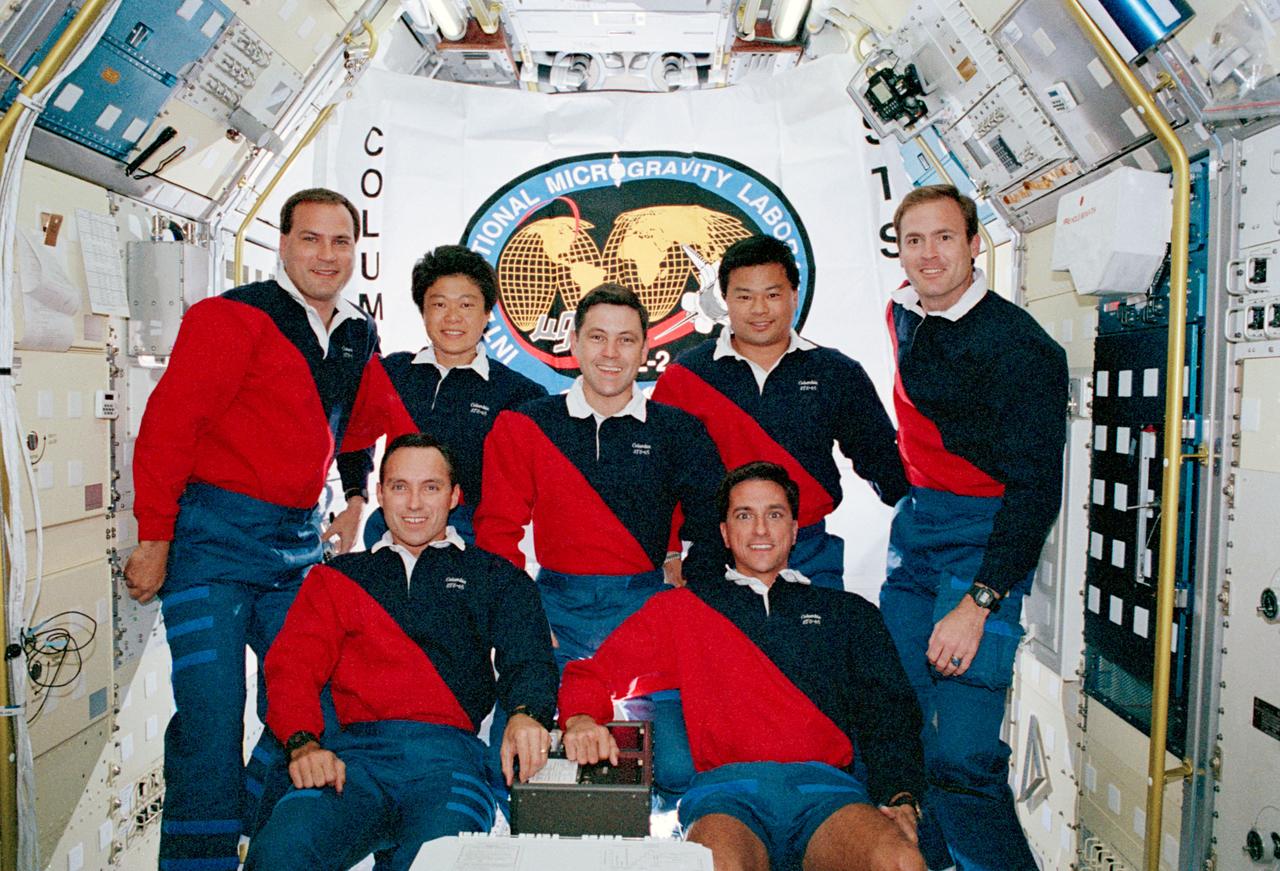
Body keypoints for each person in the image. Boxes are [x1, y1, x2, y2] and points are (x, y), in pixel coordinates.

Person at [124, 188, 411, 869]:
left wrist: (355, 497)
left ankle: (253, 822)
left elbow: (358, 420)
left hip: (296, 546)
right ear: (282, 244)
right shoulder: (230, 318)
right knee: (212, 723)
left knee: (313, 703)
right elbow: (168, 429)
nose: (326, 255)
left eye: (340, 241)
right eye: (310, 239)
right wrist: (155, 536)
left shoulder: (354, 332)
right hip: (209, 547)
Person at [559, 461, 927, 871]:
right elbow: (592, 672)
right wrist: (579, 719)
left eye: (774, 514)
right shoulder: (682, 609)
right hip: (727, 796)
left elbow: (891, 715)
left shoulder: (850, 613)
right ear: (724, 533)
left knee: (900, 861)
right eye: (743, 516)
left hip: (828, 794)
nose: (760, 530)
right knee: (717, 865)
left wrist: (902, 797)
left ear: (793, 529)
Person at [245, 433, 558, 871]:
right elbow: (292, 666)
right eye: (399, 487)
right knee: (281, 850)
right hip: (348, 763)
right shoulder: (337, 578)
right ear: (379, 493)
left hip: (449, 766)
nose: (414, 504)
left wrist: (527, 712)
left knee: (443, 862)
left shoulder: (496, 576)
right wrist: (302, 744)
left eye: (430, 487)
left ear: (454, 496)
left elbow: (529, 657)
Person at [474, 282, 726, 800]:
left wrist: (686, 597)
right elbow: (498, 533)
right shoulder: (526, 425)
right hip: (553, 610)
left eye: (626, 340)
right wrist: (524, 619)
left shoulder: (679, 430)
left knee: (679, 769)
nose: (611, 354)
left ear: (644, 348)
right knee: (511, 764)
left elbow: (713, 530)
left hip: (645, 611)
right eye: (597, 337)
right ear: (573, 341)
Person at [879, 184, 1068, 871]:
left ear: (974, 243)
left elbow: (1035, 490)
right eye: (914, 240)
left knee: (961, 755)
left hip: (983, 545)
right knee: (899, 732)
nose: (929, 255)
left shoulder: (1019, 348)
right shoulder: (903, 312)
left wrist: (979, 601)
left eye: (944, 238)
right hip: (919, 535)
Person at [653, 235, 908, 589]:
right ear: (724, 299)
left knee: (818, 646)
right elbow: (657, 477)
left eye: (772, 295)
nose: (759, 309)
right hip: (713, 555)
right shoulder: (685, 378)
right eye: (744, 296)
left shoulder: (836, 372)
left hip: (808, 553)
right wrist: (668, 554)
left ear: (794, 296)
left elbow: (884, 463)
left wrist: (937, 510)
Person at [333, 245, 547, 550]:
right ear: (423, 311)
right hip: (392, 535)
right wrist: (355, 501)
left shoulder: (519, 395)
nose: (452, 318)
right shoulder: (392, 374)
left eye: (466, 305)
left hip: (474, 546)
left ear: (488, 313)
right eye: (439, 305)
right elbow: (354, 438)